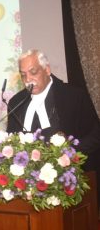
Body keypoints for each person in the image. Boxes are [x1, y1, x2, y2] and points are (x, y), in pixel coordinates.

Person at [7, 49, 100, 197]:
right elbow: (11, 141)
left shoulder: (73, 96)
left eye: (33, 72)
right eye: (23, 75)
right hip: (27, 185)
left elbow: (95, 136)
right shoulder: (15, 102)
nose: (28, 79)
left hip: (69, 182)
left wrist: (71, 154)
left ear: (47, 70)